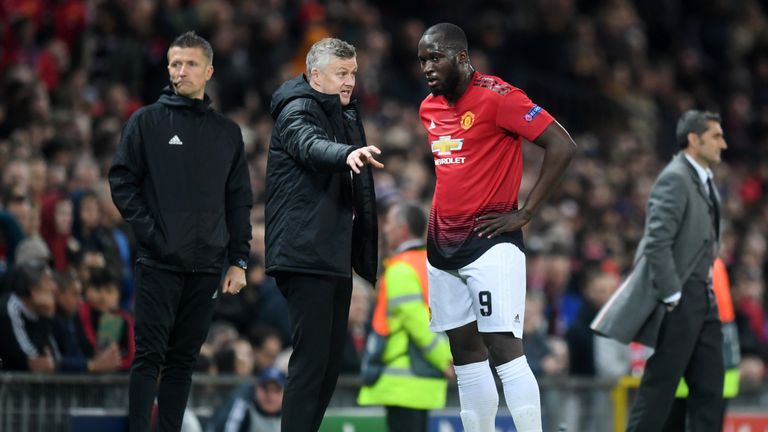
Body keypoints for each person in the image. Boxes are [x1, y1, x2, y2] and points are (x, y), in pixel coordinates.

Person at [416, 23, 577, 432]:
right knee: (465, 355)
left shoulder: (499, 97)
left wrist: (526, 212)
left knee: (505, 348)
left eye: (435, 57)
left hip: (491, 245)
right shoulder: (428, 108)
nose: (427, 68)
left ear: (462, 58)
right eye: (422, 60)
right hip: (441, 249)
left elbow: (562, 145)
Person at [108, 31, 253, 432]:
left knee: (182, 361)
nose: (180, 71)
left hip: (207, 266)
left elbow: (239, 201)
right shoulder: (147, 121)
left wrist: (239, 259)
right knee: (148, 356)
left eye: (189, 63)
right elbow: (122, 181)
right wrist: (152, 234)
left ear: (208, 70)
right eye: (174, 63)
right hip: (157, 262)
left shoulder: (227, 133)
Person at [265, 37, 382, 432]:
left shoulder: (343, 113)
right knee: (312, 361)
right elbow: (308, 144)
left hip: (331, 253)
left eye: (353, 73)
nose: (350, 81)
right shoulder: (298, 108)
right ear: (315, 75)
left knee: (329, 365)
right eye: (341, 73)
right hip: (303, 252)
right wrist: (344, 154)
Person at [592, 110, 727, 431]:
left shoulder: (701, 178)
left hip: (702, 295)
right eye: (716, 137)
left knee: (710, 386)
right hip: (681, 296)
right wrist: (672, 294)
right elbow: (656, 242)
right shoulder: (676, 177)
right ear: (693, 140)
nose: (724, 143)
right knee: (661, 385)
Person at [358, 202, 453, 432]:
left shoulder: (401, 269)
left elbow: (418, 324)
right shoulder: (432, 264)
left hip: (404, 381)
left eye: (389, 223)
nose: (385, 228)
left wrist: (445, 360)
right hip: (423, 377)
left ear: (402, 229)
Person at [0, 261, 58, 372]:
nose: (54, 287)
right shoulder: (9, 309)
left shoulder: (37, 311)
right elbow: (31, 359)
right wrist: (46, 317)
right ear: (33, 290)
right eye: (48, 281)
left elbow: (54, 357)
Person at [207, 367, 285, 432]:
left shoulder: (290, 416)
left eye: (276, 390)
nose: (271, 396)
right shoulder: (244, 411)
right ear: (256, 389)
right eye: (266, 389)